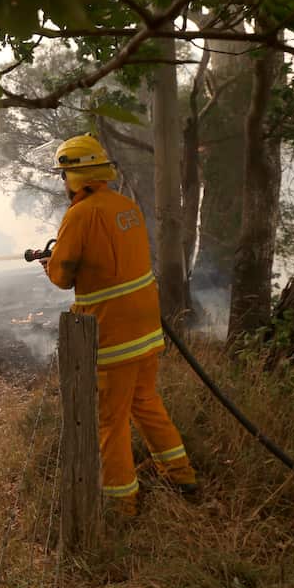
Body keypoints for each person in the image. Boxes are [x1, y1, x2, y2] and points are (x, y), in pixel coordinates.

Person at [39, 134, 197, 518]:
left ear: (75, 176)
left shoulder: (80, 214)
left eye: (64, 176)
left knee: (110, 420)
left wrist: (48, 262)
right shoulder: (124, 205)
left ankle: (120, 505)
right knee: (145, 402)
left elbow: (62, 276)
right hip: (146, 329)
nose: (62, 183)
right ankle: (181, 475)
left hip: (114, 337)